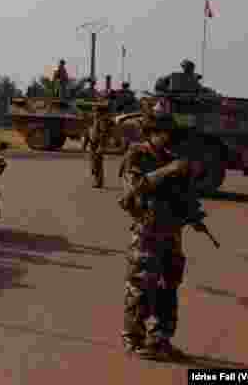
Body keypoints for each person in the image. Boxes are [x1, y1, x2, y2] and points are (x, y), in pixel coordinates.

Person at [117, 110, 205, 360]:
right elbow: (132, 190)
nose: (167, 139)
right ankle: (134, 339)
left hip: (171, 231)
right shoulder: (136, 154)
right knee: (141, 286)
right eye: (163, 134)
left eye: (170, 134)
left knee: (169, 287)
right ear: (151, 133)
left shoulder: (172, 157)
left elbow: (183, 195)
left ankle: (159, 339)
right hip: (147, 231)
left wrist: (193, 214)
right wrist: (168, 170)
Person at [88, 108, 113, 188]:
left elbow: (103, 134)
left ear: (99, 112)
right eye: (93, 111)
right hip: (93, 144)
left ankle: (99, 182)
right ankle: (97, 181)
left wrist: (101, 146)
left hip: (98, 144)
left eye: (95, 111)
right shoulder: (96, 119)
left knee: (97, 164)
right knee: (94, 164)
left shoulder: (102, 120)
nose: (94, 112)